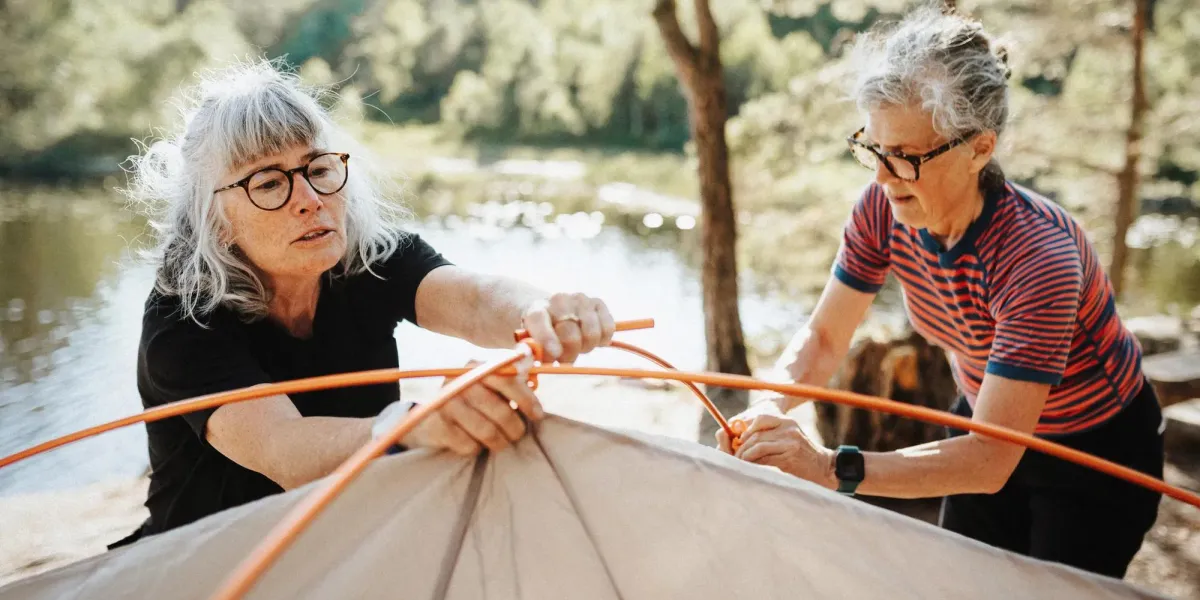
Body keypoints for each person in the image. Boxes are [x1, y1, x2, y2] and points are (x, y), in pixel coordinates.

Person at [719, 6, 1164, 579]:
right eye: (872, 148)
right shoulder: (886, 206)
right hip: (985, 416)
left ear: (980, 148)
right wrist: (767, 406)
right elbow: (825, 337)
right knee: (958, 582)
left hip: (1092, 452)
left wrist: (830, 467)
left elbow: (988, 462)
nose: (881, 177)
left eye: (904, 157)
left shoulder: (1037, 257)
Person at [111, 59, 617, 546]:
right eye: (268, 182)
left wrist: (540, 311)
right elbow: (284, 449)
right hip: (210, 562)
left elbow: (476, 300)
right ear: (214, 219)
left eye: (319, 168)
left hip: (351, 539)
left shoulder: (368, 259)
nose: (309, 197)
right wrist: (416, 424)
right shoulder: (182, 319)